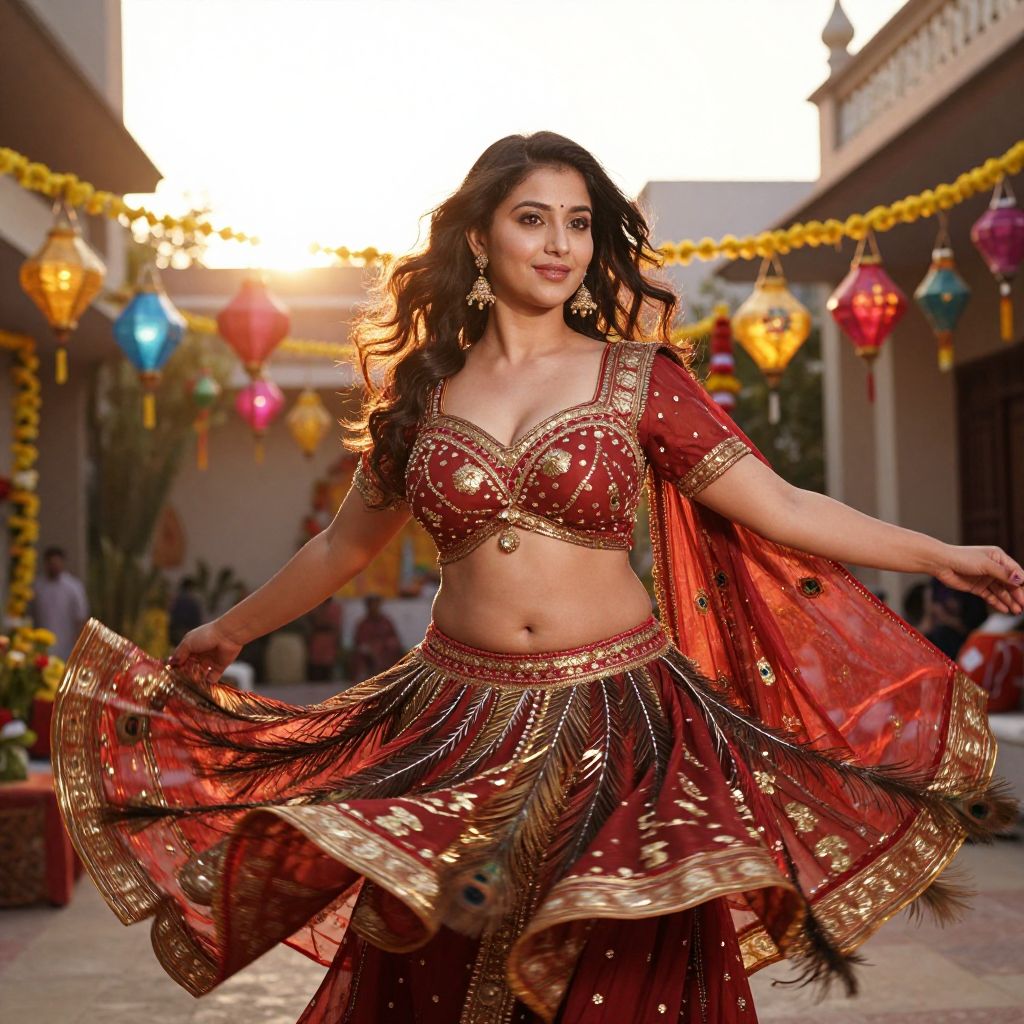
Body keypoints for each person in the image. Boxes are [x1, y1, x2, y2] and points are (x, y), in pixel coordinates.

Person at [50, 132, 1021, 1024]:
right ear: (477, 240)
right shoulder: (421, 396)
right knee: (435, 963)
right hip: (453, 723)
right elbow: (341, 548)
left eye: (578, 222)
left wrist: (944, 554)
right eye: (531, 218)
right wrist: (233, 627)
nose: (559, 243)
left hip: (621, 726)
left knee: (618, 975)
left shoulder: (639, 378)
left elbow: (785, 506)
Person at [29, 545, 89, 660]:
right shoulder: (37, 586)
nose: (54, 566)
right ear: (46, 564)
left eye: (57, 563)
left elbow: (81, 617)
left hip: (67, 646)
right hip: (42, 645)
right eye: (51, 563)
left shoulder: (74, 587)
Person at [350, 593, 403, 682]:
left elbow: (394, 637)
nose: (374, 607)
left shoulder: (386, 621)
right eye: (372, 604)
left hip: (385, 650)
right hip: (368, 653)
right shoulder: (362, 624)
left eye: (376, 604)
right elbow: (359, 642)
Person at [307, 595, 343, 682]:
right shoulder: (314, 606)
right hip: (317, 639)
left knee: (328, 668)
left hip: (330, 640)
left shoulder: (336, 607)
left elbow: (337, 627)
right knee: (316, 668)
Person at [168, 577, 204, 648]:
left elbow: (172, 613)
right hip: (188, 630)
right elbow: (196, 617)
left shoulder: (176, 599)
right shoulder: (193, 601)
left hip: (175, 629)